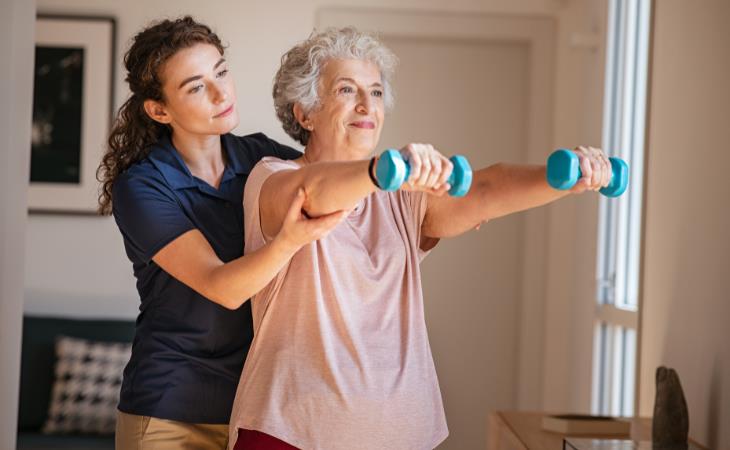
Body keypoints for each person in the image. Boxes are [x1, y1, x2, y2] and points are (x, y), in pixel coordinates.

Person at [228, 27, 614, 450]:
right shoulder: (273, 176)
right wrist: (383, 169)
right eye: (346, 89)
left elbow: (483, 190)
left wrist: (564, 179)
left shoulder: (402, 194)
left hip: (400, 435)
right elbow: (313, 193)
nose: (366, 105)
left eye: (376, 93)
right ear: (304, 113)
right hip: (290, 433)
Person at [96, 17, 347, 450]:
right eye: (196, 87)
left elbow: (331, 184)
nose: (220, 93)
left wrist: (415, 207)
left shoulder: (262, 157)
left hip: (252, 408)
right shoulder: (142, 187)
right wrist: (289, 239)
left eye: (221, 72)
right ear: (159, 110)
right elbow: (222, 287)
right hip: (168, 411)